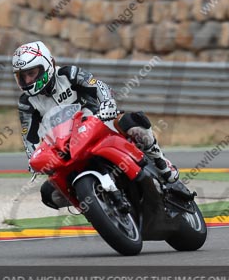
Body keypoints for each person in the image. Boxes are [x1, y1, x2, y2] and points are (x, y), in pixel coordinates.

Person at [13, 39, 182, 210]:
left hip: (97, 121)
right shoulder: (27, 103)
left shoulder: (68, 74)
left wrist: (107, 103)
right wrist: (33, 159)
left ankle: (161, 163)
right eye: (22, 76)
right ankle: (96, 207)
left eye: (31, 73)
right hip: (66, 144)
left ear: (47, 65)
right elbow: (29, 137)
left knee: (133, 122)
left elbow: (98, 85)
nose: (27, 80)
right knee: (50, 194)